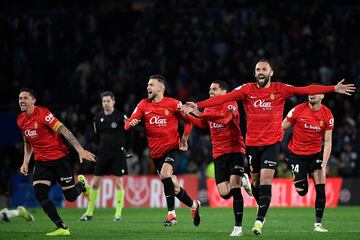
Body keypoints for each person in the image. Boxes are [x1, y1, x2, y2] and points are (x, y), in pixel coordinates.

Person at [180, 59, 356, 235]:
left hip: (272, 143)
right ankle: (251, 191)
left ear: (271, 73)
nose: (261, 72)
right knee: (255, 182)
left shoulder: (280, 89)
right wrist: (199, 105)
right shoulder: (246, 89)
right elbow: (225, 97)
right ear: (255, 73)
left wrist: (333, 88)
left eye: (264, 69)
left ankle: (259, 222)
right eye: (258, 69)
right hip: (252, 144)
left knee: (265, 180)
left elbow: (306, 89)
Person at [124, 74, 201, 227]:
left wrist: (184, 139)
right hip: (156, 154)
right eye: (147, 85)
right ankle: (194, 205)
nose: (148, 87)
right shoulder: (143, 105)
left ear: (161, 88)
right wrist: (131, 123)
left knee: (166, 174)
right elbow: (127, 125)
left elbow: (189, 121)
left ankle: (171, 215)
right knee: (175, 187)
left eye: (151, 85)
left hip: (173, 148)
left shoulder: (173, 103)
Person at [17, 88, 96, 236]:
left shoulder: (43, 114)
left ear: (33, 100)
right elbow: (27, 142)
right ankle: (62, 227)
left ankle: (82, 184)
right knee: (40, 193)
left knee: (71, 197)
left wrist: (79, 149)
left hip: (59, 159)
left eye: (25, 98)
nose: (22, 101)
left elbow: (64, 130)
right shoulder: (20, 119)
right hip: (41, 161)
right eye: (20, 98)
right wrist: (25, 162)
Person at [184, 80, 253, 236]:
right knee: (223, 193)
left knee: (235, 189)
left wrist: (199, 112)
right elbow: (203, 123)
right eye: (209, 89)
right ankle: (243, 180)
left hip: (235, 149)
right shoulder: (209, 106)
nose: (210, 92)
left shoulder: (231, 102)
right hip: (218, 153)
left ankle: (238, 228)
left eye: (214, 89)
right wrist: (188, 115)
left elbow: (224, 118)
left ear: (224, 91)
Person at [282, 93, 333, 232]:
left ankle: (318, 224)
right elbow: (281, 128)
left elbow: (328, 142)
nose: (311, 95)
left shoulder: (327, 114)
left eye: (315, 92)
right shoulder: (298, 110)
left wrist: (324, 163)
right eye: (310, 92)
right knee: (302, 192)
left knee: (321, 188)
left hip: (316, 154)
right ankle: (300, 176)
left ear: (321, 96)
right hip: (297, 155)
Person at [80, 91, 128, 222]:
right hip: (103, 154)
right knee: (95, 183)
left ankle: (118, 214)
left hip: (118, 154)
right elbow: (96, 137)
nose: (106, 103)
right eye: (104, 101)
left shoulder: (121, 117)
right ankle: (89, 213)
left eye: (108, 101)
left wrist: (126, 149)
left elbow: (130, 134)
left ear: (113, 102)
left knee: (118, 183)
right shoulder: (97, 118)